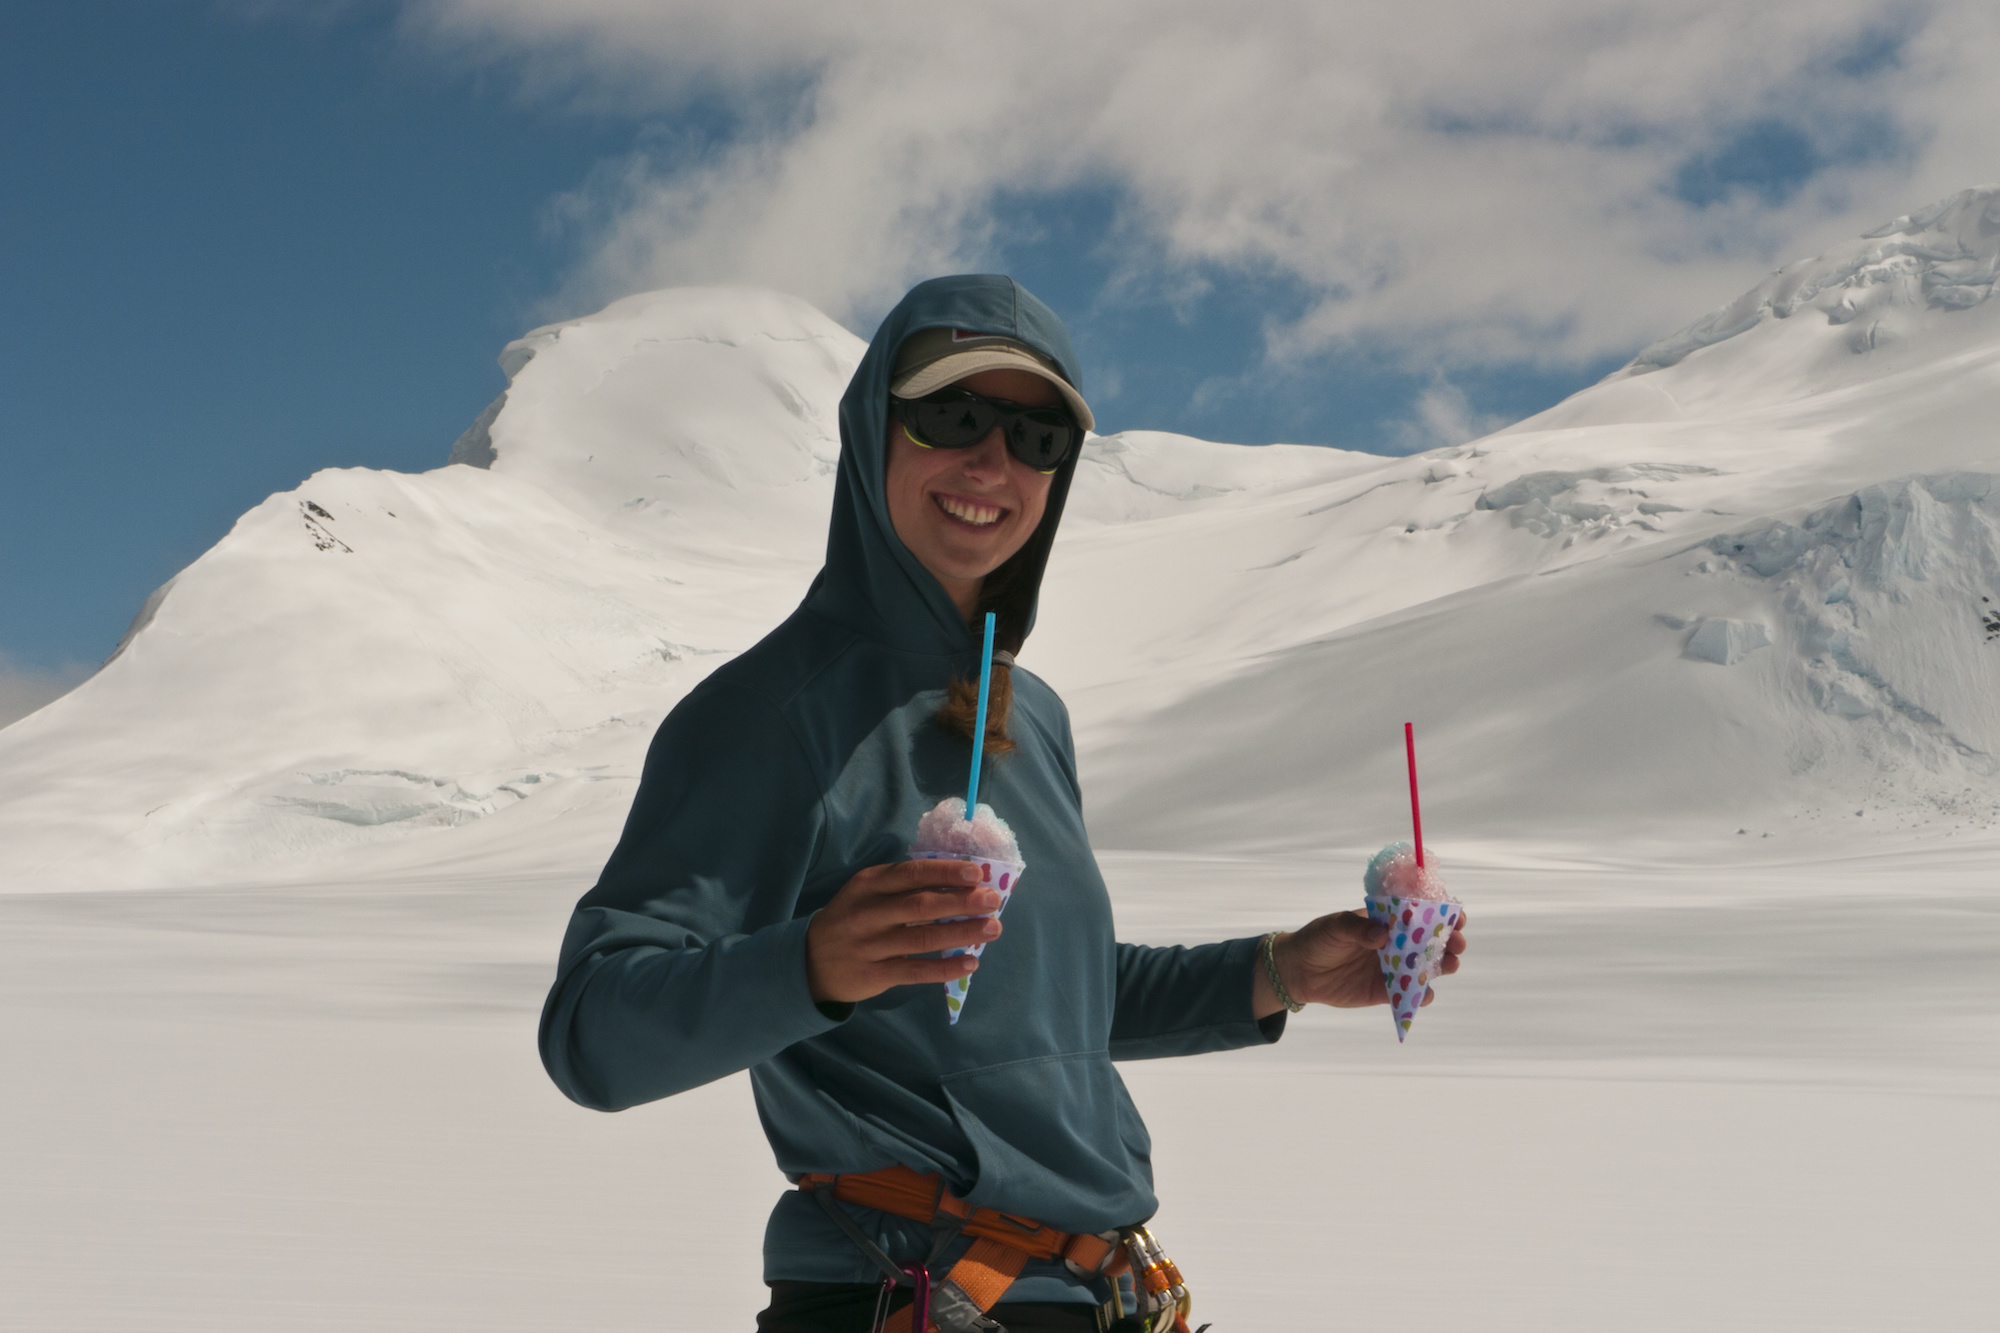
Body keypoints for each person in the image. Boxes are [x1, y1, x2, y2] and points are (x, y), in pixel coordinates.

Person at [538, 275, 1469, 1333]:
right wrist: (811, 966)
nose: (991, 462)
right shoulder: (767, 714)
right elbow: (591, 1035)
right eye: (950, 415)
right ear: (871, 431)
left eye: (1033, 437)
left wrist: (1276, 972)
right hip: (906, 1294)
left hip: (1091, 1295)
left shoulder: (1030, 717)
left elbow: (1052, 1005)